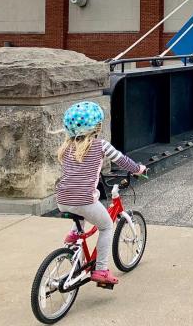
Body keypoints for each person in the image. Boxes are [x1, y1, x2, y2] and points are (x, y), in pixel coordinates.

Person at [55, 101, 146, 286]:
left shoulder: (66, 147)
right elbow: (123, 160)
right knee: (105, 226)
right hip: (83, 200)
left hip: (62, 199)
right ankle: (101, 270)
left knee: (80, 210)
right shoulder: (101, 145)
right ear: (96, 126)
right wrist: (138, 169)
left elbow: (75, 175)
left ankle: (74, 234)